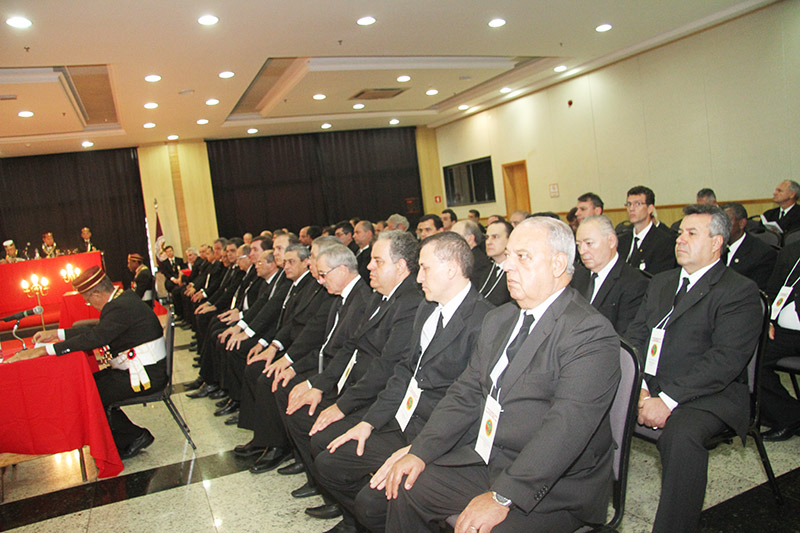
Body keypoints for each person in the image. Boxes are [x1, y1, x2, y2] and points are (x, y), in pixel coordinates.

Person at [378, 217, 620, 533]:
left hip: (554, 485)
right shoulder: (499, 319)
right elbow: (465, 393)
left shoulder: (589, 332)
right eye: (509, 256)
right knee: (406, 485)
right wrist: (420, 451)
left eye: (523, 257)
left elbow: (566, 429)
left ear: (558, 264)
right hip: (490, 458)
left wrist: (504, 495)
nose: (508, 266)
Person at [314, 232, 492, 533]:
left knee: (371, 503)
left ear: (451, 269)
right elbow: (404, 372)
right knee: (330, 462)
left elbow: (470, 403)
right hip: (404, 419)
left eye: (425, 268)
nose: (418, 277)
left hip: (440, 435)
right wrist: (369, 422)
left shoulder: (485, 320)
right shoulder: (427, 307)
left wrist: (418, 449)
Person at [625, 204, 761, 532]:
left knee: (681, 436)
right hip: (652, 384)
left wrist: (666, 400)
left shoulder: (738, 290)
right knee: (592, 406)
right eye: (679, 233)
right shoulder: (661, 282)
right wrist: (639, 387)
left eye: (691, 233)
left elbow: (725, 360)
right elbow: (635, 337)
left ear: (717, 243)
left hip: (709, 393)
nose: (680, 239)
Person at [6, 266, 167, 459]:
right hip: (145, 369)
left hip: (147, 375)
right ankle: (130, 435)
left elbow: (96, 338)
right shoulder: (123, 299)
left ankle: (133, 437)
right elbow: (98, 330)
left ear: (96, 294)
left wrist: (44, 350)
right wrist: (57, 334)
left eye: (88, 300)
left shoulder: (119, 306)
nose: (89, 304)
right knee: (88, 383)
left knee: (89, 391)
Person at [572, 216, 649, 335]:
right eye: (578, 245)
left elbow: (626, 336)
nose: (582, 251)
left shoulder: (634, 283)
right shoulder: (576, 277)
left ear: (611, 241)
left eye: (589, 243)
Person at [758, 239, 800, 441]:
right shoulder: (791, 251)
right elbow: (773, 291)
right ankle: (790, 415)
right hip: (785, 333)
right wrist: (768, 320)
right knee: (750, 354)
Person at [617, 185, 676, 275]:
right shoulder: (622, 240)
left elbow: (659, 277)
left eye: (638, 204)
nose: (631, 209)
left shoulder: (664, 242)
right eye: (629, 204)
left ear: (650, 209)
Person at [721, 202, 777, 290]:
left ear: (741, 223)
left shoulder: (762, 254)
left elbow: (755, 291)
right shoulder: (714, 248)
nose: (721, 227)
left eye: (726, 222)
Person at [478, 220, 512, 306]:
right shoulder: (484, 269)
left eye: (495, 237)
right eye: (487, 237)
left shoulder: (515, 272)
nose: (488, 242)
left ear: (510, 240)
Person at [451, 220, 492, 289]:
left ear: (470, 239)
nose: (450, 242)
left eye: (455, 237)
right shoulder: (466, 258)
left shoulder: (478, 263)